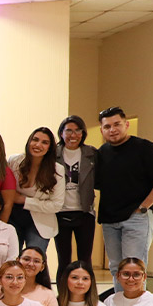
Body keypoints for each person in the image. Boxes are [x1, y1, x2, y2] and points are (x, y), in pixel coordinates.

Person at [96, 107, 153, 293]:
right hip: (110, 220)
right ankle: (120, 305)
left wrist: (144, 207)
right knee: (116, 268)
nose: (112, 130)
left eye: (117, 124)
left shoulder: (144, 148)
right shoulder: (102, 152)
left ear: (126, 124)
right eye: (107, 126)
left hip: (137, 217)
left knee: (133, 268)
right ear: (102, 130)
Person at [7, 127, 66, 252]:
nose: (38, 145)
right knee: (11, 257)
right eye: (35, 140)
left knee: (34, 258)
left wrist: (23, 200)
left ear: (50, 147)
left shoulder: (57, 170)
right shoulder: (14, 161)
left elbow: (56, 205)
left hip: (41, 222)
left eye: (45, 142)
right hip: (13, 217)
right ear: (29, 141)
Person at [54, 115, 99, 273]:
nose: (73, 135)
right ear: (61, 133)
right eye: (68, 131)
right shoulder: (53, 153)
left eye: (77, 131)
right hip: (60, 213)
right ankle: (63, 289)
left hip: (85, 213)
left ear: (83, 133)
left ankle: (87, 289)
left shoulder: (91, 153)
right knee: (63, 259)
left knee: (85, 259)